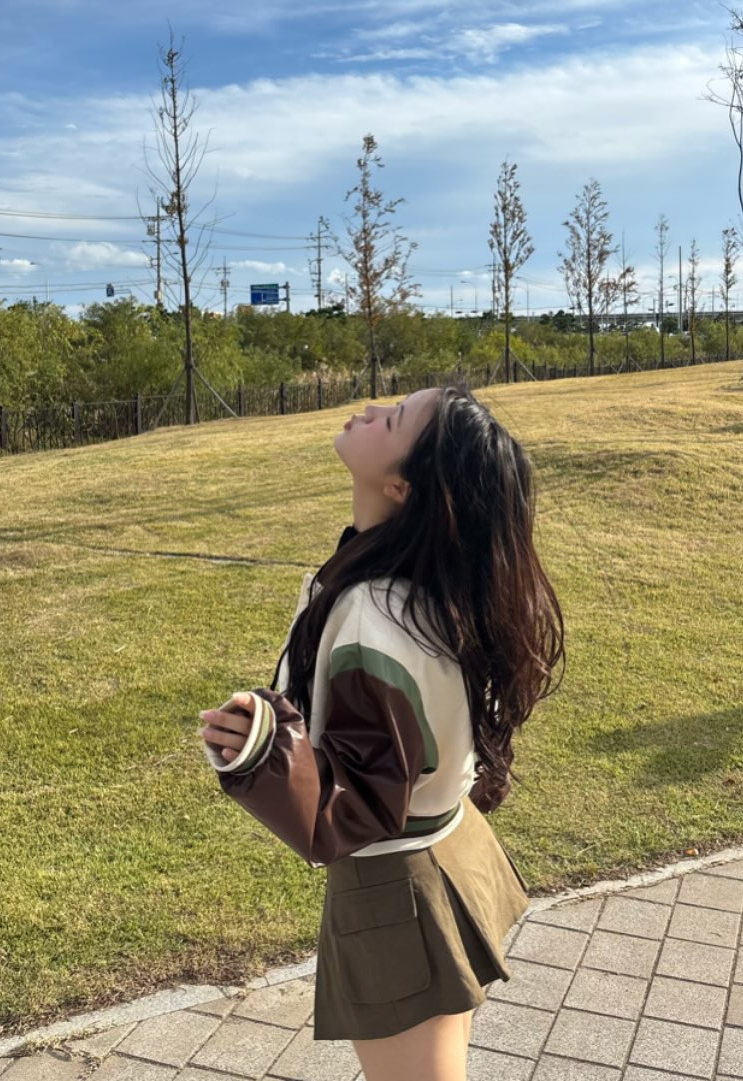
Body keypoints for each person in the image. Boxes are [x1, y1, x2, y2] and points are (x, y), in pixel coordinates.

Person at [198, 385, 564, 1081]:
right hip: (443, 852)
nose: (369, 407)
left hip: (397, 891)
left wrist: (261, 750)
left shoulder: (378, 608)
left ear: (402, 486)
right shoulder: (427, 585)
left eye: (391, 418)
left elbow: (358, 804)